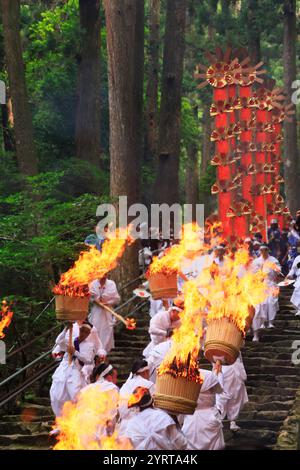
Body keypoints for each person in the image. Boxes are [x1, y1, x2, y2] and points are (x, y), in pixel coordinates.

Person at [50, 323, 94, 417]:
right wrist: (66, 328)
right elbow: (59, 341)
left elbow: (88, 360)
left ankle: (76, 418)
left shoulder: (89, 345)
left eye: (86, 332)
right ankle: (60, 418)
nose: (83, 333)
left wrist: (75, 352)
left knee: (75, 394)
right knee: (57, 394)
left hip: (76, 370)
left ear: (89, 334)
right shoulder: (71, 339)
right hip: (64, 368)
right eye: (82, 330)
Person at [182, 367, 225, 450]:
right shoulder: (209, 376)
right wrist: (219, 374)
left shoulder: (187, 377)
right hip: (207, 416)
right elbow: (220, 391)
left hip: (192, 417)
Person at [251, 245, 281, 340]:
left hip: (271, 283)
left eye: (265, 250)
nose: (263, 252)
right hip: (261, 285)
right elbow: (253, 273)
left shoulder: (273, 260)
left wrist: (274, 268)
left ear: (268, 250)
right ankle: (263, 323)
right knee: (263, 304)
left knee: (271, 302)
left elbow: (279, 271)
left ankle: (271, 322)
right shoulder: (256, 261)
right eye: (261, 250)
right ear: (260, 251)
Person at [81, 362, 119, 437]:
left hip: (83, 429)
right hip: (100, 429)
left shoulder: (85, 389)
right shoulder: (111, 388)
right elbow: (112, 414)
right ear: (109, 377)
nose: (116, 380)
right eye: (115, 377)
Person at [118, 359, 154, 434]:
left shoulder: (125, 385)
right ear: (145, 372)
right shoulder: (148, 385)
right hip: (140, 427)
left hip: (123, 428)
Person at [216, 353, 248, 432]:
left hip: (235, 365)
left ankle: (233, 421)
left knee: (236, 394)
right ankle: (218, 418)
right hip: (222, 364)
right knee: (221, 394)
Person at [88, 275, 120, 352]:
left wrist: (106, 302)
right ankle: (95, 352)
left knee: (106, 332)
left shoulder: (111, 283)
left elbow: (116, 298)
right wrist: (95, 301)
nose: (103, 275)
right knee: (95, 330)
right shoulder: (93, 283)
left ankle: (103, 353)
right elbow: (89, 296)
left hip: (107, 312)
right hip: (96, 312)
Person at [286, 248, 300, 316]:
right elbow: (293, 268)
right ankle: (299, 309)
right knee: (297, 293)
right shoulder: (297, 258)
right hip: (299, 278)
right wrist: (289, 275)